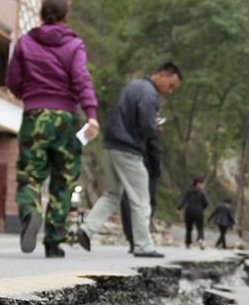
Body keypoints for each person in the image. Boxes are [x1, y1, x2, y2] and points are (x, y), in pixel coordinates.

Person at [7, 0, 99, 258]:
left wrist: (31, 95)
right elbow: (82, 79)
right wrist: (91, 113)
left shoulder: (25, 42)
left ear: (40, 15)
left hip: (35, 114)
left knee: (30, 173)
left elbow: (13, 80)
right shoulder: (74, 45)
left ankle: (30, 212)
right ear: (65, 17)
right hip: (66, 118)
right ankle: (54, 241)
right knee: (63, 178)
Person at [76, 63, 182, 258]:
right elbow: (145, 125)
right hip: (129, 150)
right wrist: (154, 129)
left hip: (110, 146)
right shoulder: (149, 94)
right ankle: (143, 245)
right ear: (162, 75)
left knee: (112, 193)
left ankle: (87, 229)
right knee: (141, 199)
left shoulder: (132, 87)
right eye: (171, 85)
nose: (170, 91)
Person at [119, 133, 161, 253]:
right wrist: (156, 169)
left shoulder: (125, 119)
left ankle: (133, 239)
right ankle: (141, 240)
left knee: (128, 202)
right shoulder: (148, 120)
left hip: (126, 160)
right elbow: (155, 147)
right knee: (144, 203)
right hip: (145, 165)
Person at [177, 178, 209, 248]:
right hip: (198, 212)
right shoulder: (202, 192)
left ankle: (188, 243)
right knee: (200, 228)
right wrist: (202, 207)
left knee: (189, 229)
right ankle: (200, 239)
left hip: (188, 211)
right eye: (202, 184)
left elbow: (183, 200)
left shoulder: (188, 191)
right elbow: (206, 203)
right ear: (198, 184)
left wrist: (179, 208)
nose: (203, 186)